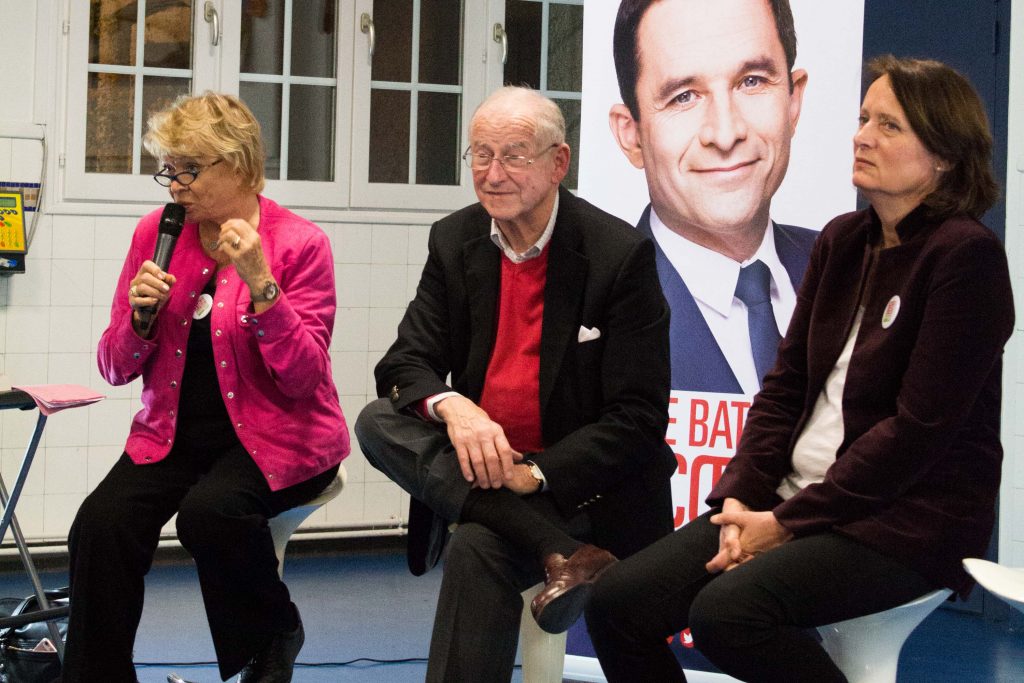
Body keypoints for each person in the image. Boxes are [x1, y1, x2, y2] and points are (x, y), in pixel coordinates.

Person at [585, 56, 1013, 682]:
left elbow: (916, 432)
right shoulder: (842, 241)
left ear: (944, 154)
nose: (861, 135)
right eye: (864, 118)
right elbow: (783, 391)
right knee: (618, 603)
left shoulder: (966, 258)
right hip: (789, 502)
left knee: (728, 615)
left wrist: (783, 524)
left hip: (905, 522)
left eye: (889, 126)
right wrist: (738, 502)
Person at [354, 86, 674, 682]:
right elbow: (405, 364)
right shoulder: (455, 240)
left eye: (514, 155)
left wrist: (533, 474)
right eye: (480, 154)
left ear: (559, 163)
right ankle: (565, 556)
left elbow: (638, 417)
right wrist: (457, 409)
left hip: (586, 486)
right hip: (486, 466)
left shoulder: (617, 255)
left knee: (478, 546)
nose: (493, 173)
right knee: (378, 420)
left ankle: (564, 546)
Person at [64, 92, 348, 683]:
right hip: (173, 435)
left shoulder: (300, 244)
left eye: (189, 169)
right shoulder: (157, 233)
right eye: (168, 168)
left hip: (279, 437)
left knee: (208, 515)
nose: (175, 186)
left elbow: (302, 378)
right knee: (100, 527)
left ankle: (274, 633)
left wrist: (263, 285)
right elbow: (114, 367)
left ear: (240, 164)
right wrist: (140, 320)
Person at [609, 0, 818, 394]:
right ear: (630, 134)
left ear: (793, 101)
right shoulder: (583, 309)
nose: (725, 134)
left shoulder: (860, 274)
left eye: (752, 81)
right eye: (683, 96)